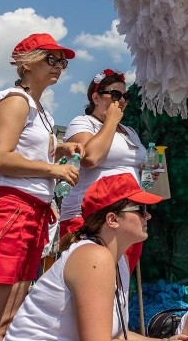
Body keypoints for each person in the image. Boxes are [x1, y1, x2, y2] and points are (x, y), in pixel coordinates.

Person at [0, 33, 83, 341]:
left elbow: (22, 154)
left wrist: (57, 150)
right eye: (50, 59)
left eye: (62, 62)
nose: (59, 67)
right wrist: (53, 167)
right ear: (26, 64)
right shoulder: (15, 101)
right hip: (7, 209)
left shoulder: (41, 112)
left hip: (30, 211)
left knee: (5, 323)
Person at [6, 173, 186, 341]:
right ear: (112, 220)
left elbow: (120, 335)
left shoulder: (118, 261)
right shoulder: (94, 258)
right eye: (140, 209)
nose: (148, 215)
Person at [59, 69, 147, 269]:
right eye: (115, 95)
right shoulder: (83, 123)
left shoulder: (130, 132)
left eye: (126, 96)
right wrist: (110, 121)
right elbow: (90, 158)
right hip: (91, 218)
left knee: (119, 283)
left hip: (127, 216)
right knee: (90, 279)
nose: (121, 101)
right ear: (96, 97)